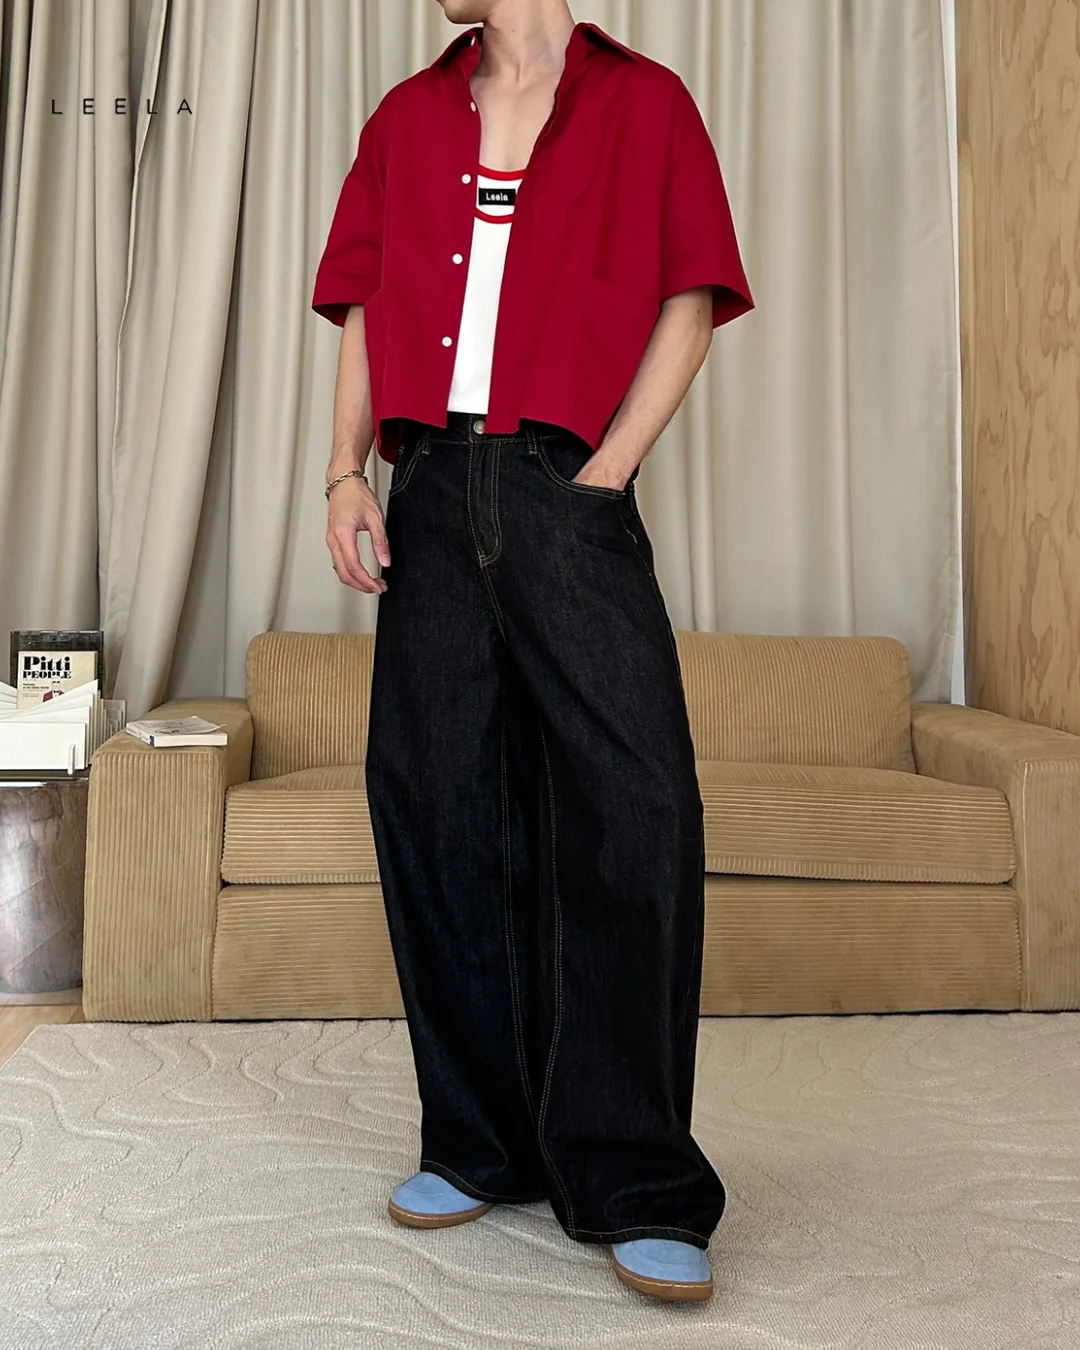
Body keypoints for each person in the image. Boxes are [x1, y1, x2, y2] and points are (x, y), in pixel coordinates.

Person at [311, 0, 753, 1304]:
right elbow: (364, 304)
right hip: (433, 489)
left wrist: (608, 471)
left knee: (633, 807)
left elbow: (690, 297)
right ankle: (478, 1139)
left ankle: (637, 1177)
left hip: (568, 485)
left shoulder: (646, 105)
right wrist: (345, 471)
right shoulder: (405, 120)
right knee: (440, 805)